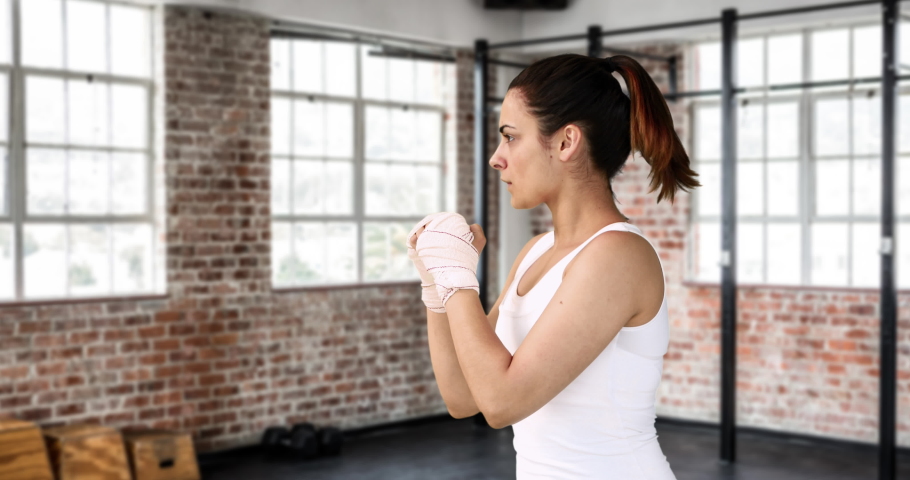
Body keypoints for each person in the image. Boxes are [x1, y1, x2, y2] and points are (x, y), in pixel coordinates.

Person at [406, 53, 699, 479]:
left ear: (566, 142)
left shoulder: (617, 256)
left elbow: (501, 404)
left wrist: (458, 277)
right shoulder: (535, 252)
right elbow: (462, 397)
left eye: (510, 137)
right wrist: (436, 286)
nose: (496, 157)